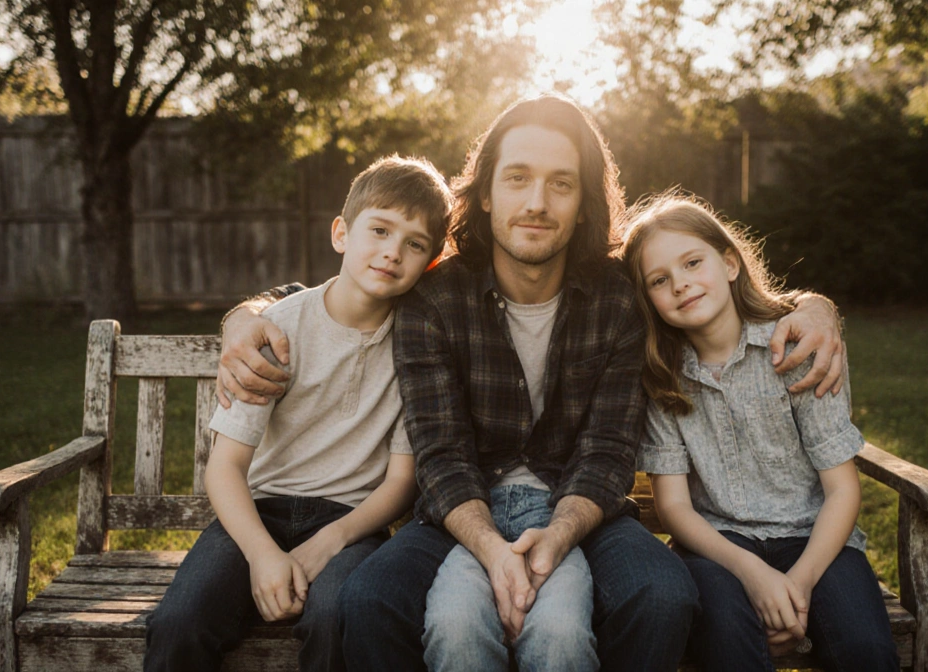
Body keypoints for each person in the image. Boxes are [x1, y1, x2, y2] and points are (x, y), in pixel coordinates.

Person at [218, 93, 847, 672]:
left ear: (582, 205)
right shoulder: (436, 299)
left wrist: (813, 304)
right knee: (369, 601)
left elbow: (613, 442)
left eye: (561, 184)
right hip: (461, 508)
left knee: (662, 595)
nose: (538, 203)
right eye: (517, 178)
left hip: (583, 507)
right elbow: (439, 451)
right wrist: (243, 316)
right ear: (487, 193)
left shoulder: (617, 298)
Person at [143, 155, 453, 672]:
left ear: (430, 261)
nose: (392, 252)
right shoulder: (276, 329)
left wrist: (329, 541)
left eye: (414, 244)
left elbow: (400, 483)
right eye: (379, 229)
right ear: (341, 233)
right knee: (179, 623)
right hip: (256, 511)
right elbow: (225, 468)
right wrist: (263, 555)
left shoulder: (418, 343)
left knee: (336, 617)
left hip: (352, 523)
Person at [621, 191, 898, 671]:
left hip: (816, 541)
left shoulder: (798, 348)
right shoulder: (662, 376)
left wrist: (800, 583)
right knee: (729, 643)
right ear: (649, 300)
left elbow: (841, 491)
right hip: (716, 548)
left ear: (730, 262)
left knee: (865, 651)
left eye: (692, 263)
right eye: (660, 280)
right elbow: (674, 507)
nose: (682, 284)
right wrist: (752, 573)